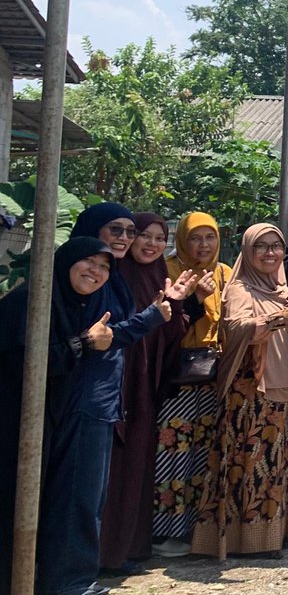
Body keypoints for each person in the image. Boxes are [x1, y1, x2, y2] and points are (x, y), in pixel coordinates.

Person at [0, 235, 181, 595]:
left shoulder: (82, 304)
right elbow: (28, 360)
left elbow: (106, 339)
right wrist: (83, 343)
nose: (96, 272)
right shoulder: (29, 301)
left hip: (56, 416)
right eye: (89, 262)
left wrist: (152, 316)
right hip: (16, 419)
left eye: (104, 267)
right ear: (66, 261)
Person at [192, 223, 288, 558]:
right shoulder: (240, 289)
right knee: (251, 465)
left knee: (277, 466)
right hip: (252, 391)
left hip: (286, 389)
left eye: (276, 246)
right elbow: (238, 328)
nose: (270, 253)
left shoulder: (285, 289)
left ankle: (271, 538)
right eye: (261, 246)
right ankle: (243, 541)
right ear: (247, 250)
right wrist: (277, 320)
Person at [99, 212, 190, 574]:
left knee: (136, 464)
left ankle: (128, 548)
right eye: (144, 236)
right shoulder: (113, 275)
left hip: (144, 386)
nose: (151, 244)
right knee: (108, 468)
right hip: (114, 382)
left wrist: (176, 304)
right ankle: (99, 552)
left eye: (159, 238)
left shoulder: (160, 277)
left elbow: (171, 335)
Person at [151, 211, 233, 557]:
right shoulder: (167, 271)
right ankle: (162, 532)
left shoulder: (224, 273)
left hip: (213, 377)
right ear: (183, 240)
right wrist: (195, 300)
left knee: (202, 454)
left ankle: (193, 529)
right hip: (178, 379)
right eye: (195, 238)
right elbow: (166, 326)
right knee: (173, 453)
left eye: (210, 237)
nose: (203, 245)